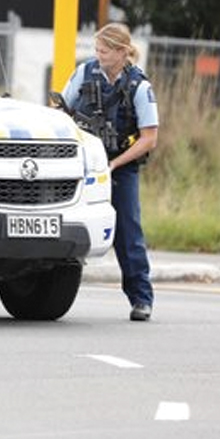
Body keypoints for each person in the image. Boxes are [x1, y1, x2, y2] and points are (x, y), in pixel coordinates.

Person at [61, 23, 159, 321]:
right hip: (84, 164)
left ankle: (141, 298)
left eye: (103, 50)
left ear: (120, 52)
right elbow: (62, 112)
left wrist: (115, 164)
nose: (98, 55)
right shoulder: (84, 73)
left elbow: (149, 138)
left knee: (128, 233)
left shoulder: (139, 87)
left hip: (120, 167)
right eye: (97, 50)